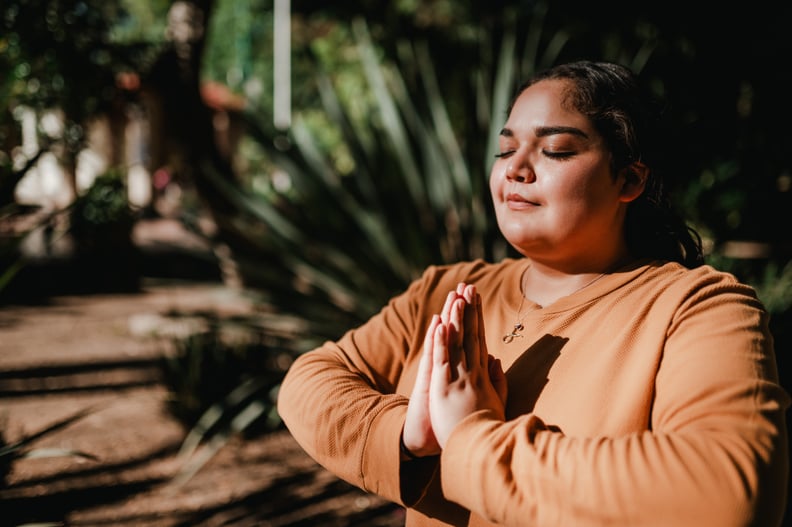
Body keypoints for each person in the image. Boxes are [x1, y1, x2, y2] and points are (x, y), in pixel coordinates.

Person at [276, 60, 790, 526]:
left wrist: (470, 440)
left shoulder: (699, 308)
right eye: (505, 149)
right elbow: (308, 382)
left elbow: (729, 492)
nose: (515, 168)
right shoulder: (445, 290)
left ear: (629, 179)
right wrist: (407, 437)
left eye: (556, 150)